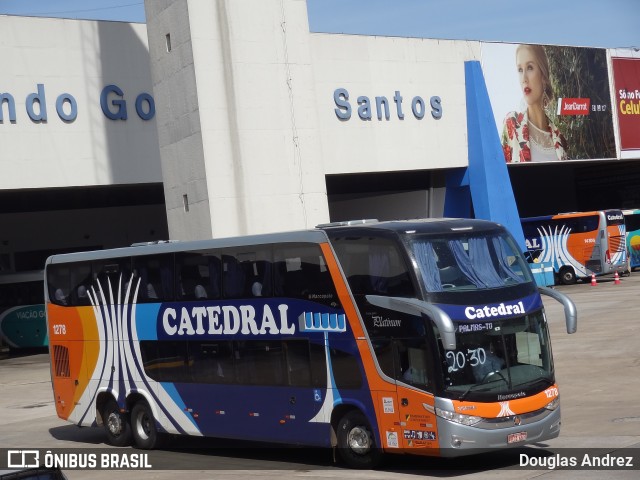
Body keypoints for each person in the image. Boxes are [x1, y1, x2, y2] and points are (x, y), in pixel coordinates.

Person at [501, 44, 568, 163]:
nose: (524, 78)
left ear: (543, 75)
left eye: (530, 67)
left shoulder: (559, 138)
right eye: (520, 70)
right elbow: (499, 174)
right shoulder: (512, 124)